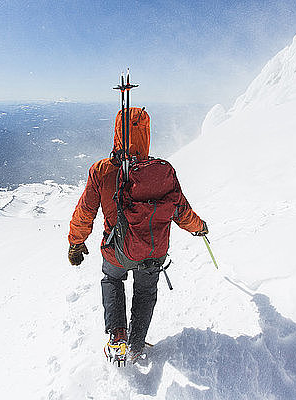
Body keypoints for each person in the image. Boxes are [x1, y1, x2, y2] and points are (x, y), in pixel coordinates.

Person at [67, 107, 207, 363]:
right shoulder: (161, 171)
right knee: (145, 292)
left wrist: (76, 243)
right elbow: (181, 210)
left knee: (112, 279)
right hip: (153, 252)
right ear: (146, 134)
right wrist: (199, 227)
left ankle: (118, 337)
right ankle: (136, 344)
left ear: (118, 133)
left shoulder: (102, 170)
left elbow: (85, 212)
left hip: (118, 250)